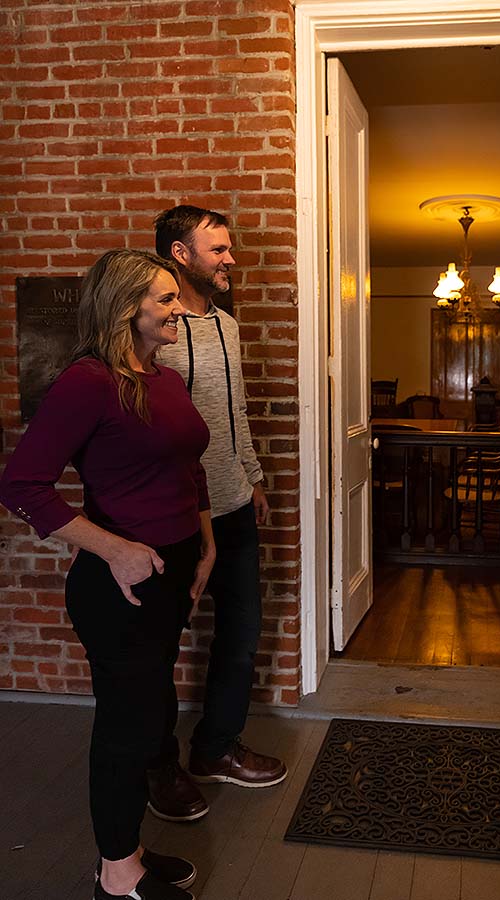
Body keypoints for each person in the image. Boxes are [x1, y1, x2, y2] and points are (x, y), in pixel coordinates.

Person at [0, 250, 213, 899]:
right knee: (131, 725)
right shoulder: (88, 381)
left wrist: (202, 544)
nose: (182, 308)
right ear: (128, 308)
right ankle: (117, 878)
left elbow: (188, 467)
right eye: (167, 298)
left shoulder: (166, 380)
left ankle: (130, 852)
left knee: (149, 720)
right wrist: (114, 549)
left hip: (170, 570)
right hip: (120, 582)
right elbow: (21, 484)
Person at [147, 205, 285, 823]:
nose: (231, 259)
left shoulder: (227, 325)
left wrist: (251, 476)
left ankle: (215, 749)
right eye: (218, 250)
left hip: (230, 505)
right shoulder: (152, 330)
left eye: (230, 248)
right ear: (181, 255)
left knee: (241, 635)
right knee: (154, 648)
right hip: (175, 515)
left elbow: (237, 411)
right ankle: (157, 766)